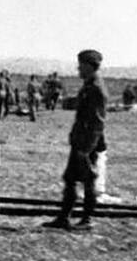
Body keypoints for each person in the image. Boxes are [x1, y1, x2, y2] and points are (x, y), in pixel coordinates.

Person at [43, 50, 107, 230]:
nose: (78, 68)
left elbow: (97, 122)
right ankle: (63, 217)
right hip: (81, 141)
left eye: (81, 65)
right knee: (70, 178)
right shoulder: (89, 85)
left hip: (87, 144)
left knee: (88, 180)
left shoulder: (96, 87)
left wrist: (86, 149)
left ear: (89, 65)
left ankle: (87, 220)